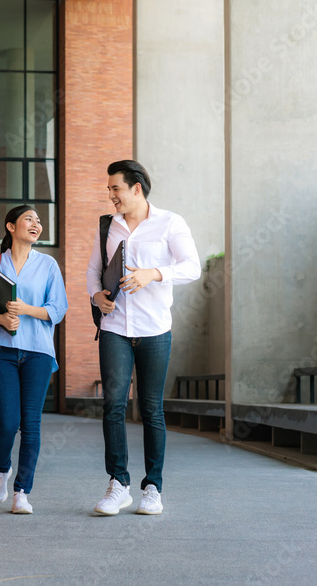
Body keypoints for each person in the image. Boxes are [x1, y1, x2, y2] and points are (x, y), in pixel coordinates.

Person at [86, 160, 201, 515]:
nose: (111, 196)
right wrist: (96, 296)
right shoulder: (109, 227)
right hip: (115, 328)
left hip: (154, 330)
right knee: (113, 405)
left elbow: (192, 267)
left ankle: (153, 488)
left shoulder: (170, 222)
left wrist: (154, 273)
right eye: (109, 190)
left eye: (115, 189)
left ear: (136, 188)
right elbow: (93, 270)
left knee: (151, 409)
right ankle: (118, 484)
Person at [0, 205, 68, 514]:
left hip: (39, 352)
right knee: (7, 421)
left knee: (31, 423)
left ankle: (22, 492)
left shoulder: (48, 264)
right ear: (11, 226)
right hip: (2, 350)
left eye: (39, 221)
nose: (36, 224)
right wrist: (2, 319)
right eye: (29, 219)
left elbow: (57, 309)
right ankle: (2, 469)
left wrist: (25, 308)